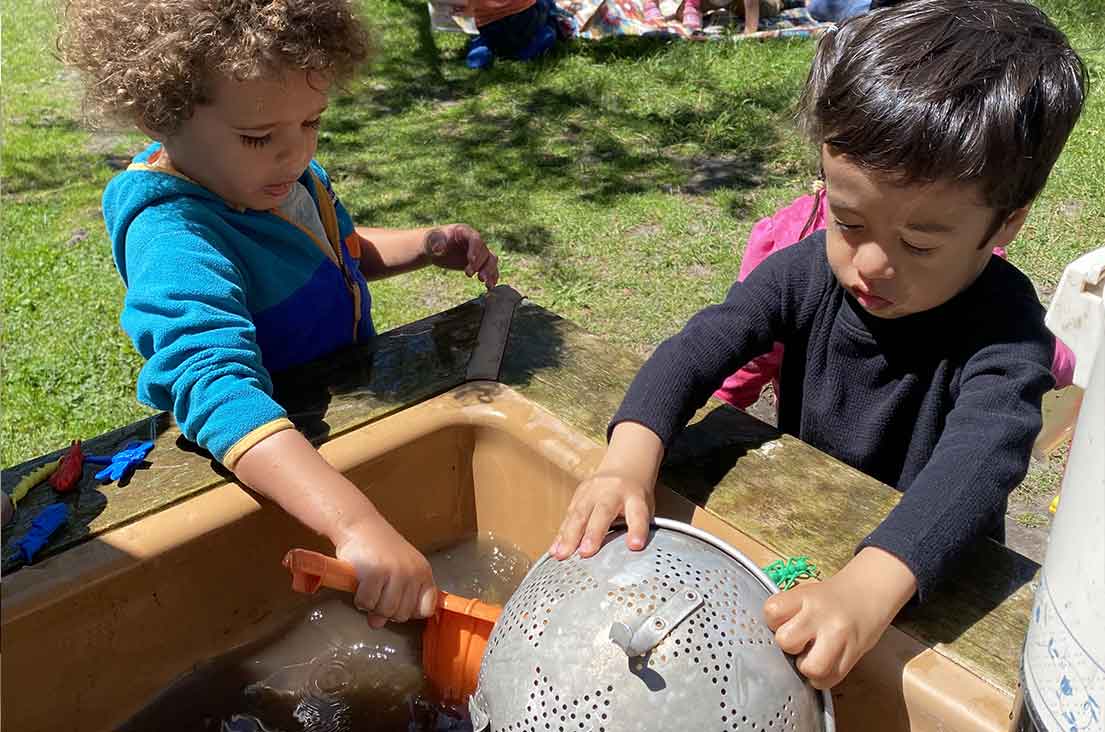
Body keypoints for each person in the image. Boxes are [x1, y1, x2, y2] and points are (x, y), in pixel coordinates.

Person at [551, 0, 1086, 690]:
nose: (869, 264)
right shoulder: (806, 269)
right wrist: (628, 459)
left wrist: (869, 587)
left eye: (918, 243)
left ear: (1003, 225)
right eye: (848, 220)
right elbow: (701, 344)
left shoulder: (1006, 330)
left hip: (922, 580)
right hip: (805, 523)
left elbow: (980, 461)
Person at [60, 0, 500, 628]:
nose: (294, 154)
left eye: (312, 122)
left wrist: (425, 246)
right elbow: (213, 386)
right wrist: (356, 524)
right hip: (280, 475)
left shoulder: (263, 177)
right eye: (260, 137)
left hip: (334, 425)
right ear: (160, 115)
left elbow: (333, 253)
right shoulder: (174, 235)